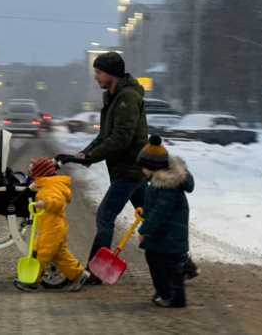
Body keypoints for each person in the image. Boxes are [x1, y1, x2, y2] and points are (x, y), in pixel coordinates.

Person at [74, 51, 149, 284]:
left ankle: (95, 271)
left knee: (105, 216)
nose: (96, 77)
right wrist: (85, 153)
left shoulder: (126, 97)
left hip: (129, 169)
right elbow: (105, 135)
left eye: (99, 72)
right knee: (152, 216)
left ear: (111, 74)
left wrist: (92, 157)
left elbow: (121, 138)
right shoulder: (114, 96)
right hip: (131, 169)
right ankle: (182, 264)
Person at [13, 157, 91, 292]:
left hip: (51, 229)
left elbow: (57, 202)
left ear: (40, 173)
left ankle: (32, 281)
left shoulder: (50, 187)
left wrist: (45, 204)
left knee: (40, 253)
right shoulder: (50, 184)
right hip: (55, 227)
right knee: (59, 255)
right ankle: (79, 274)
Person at [136, 134, 194, 308]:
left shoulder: (166, 187)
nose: (142, 171)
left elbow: (159, 213)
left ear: (153, 167)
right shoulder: (161, 183)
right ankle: (169, 294)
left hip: (168, 237)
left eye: (144, 167)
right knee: (165, 264)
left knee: (163, 265)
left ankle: (169, 296)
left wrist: (144, 229)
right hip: (166, 237)